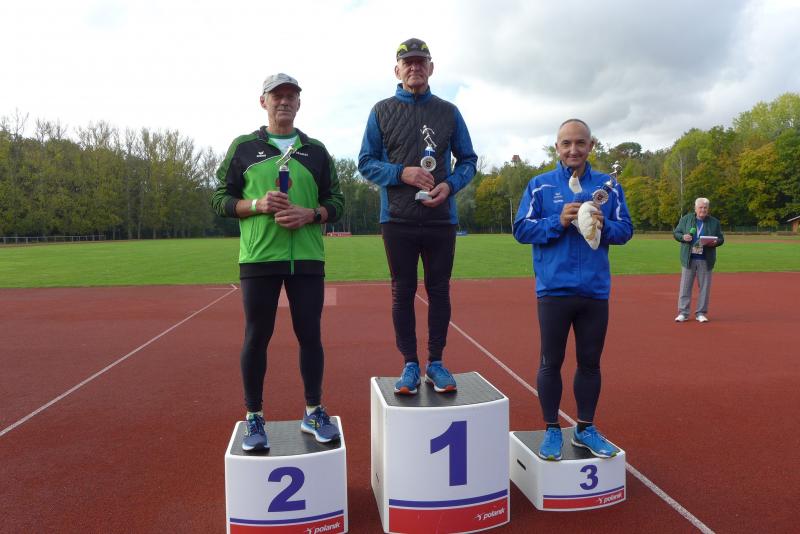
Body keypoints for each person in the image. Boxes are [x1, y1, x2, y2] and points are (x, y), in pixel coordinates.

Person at [211, 73, 345, 451]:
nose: (284, 101)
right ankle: (254, 416)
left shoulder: (316, 151)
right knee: (257, 336)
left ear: (299, 103)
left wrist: (311, 214)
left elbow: (337, 202)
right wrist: (257, 204)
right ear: (263, 102)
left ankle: (313, 410)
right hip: (259, 257)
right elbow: (220, 199)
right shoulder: (243, 148)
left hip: (307, 257)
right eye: (277, 96)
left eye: (291, 96)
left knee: (310, 335)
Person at [358, 38, 477, 395]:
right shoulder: (381, 111)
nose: (414, 67)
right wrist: (402, 173)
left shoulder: (449, 112)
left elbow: (468, 160)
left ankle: (436, 363)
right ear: (397, 70)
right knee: (402, 292)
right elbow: (365, 162)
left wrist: (450, 186)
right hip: (397, 219)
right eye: (407, 62)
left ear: (431, 68)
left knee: (439, 291)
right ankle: (410, 364)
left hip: (441, 218)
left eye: (421, 61)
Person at [513, 119, 633, 461]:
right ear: (557, 147)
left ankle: (585, 428)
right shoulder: (539, 185)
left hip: (594, 290)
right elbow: (521, 229)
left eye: (580, 143)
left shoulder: (608, 186)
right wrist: (559, 221)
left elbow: (626, 230)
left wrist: (603, 225)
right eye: (566, 143)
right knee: (551, 362)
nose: (573, 149)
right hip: (554, 289)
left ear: (591, 146)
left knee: (590, 363)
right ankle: (552, 428)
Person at [673, 197, 724, 323]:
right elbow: (676, 233)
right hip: (689, 258)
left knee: (704, 288)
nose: (703, 210)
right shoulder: (686, 219)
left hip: (706, 259)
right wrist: (683, 237)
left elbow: (721, 238)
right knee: (685, 287)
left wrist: (716, 242)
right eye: (700, 207)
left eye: (705, 207)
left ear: (708, 209)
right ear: (695, 208)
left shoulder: (714, 222)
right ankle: (683, 313)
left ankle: (701, 313)